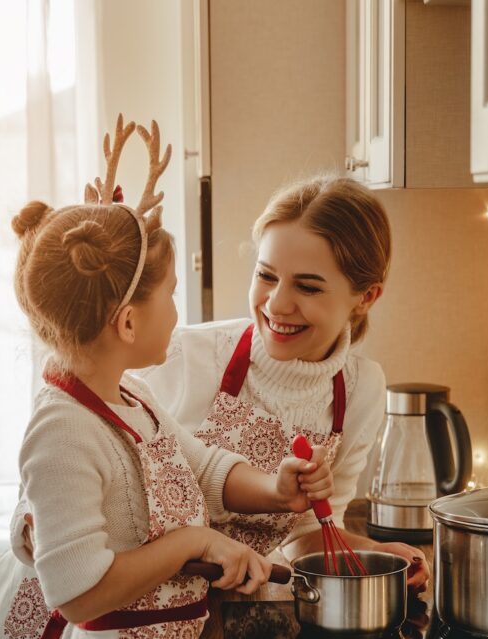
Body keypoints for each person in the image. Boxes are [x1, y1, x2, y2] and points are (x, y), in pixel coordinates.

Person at [0, 116, 332, 639]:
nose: (179, 312)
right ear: (126, 323)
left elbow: (205, 469)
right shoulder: (63, 428)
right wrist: (193, 542)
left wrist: (278, 490)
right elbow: (80, 590)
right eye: (171, 294)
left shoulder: (131, 396)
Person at [135, 174, 428, 585]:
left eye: (307, 287)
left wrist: (377, 554)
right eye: (267, 276)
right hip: (137, 606)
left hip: (232, 617)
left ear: (366, 296)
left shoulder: (361, 389)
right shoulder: (182, 356)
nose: (276, 304)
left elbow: (307, 533)